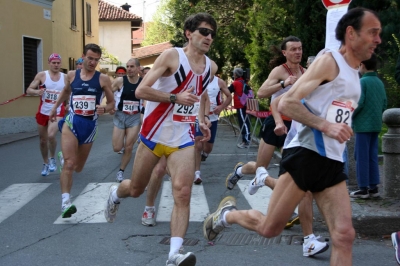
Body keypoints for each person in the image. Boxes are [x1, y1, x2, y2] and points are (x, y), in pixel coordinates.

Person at [204, 8, 381, 266]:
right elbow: (286, 104)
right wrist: (326, 126)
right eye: (373, 32)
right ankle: (226, 216)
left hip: (331, 160)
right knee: (269, 228)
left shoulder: (355, 72)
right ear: (351, 33)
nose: (378, 39)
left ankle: (308, 237)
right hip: (306, 155)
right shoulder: (329, 61)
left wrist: (337, 126)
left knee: (344, 235)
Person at [104, 13, 217, 266]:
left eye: (212, 33)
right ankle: (115, 193)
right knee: (136, 189)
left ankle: (174, 254)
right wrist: (174, 98)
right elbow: (142, 90)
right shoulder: (172, 56)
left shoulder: (211, 67)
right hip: (153, 135)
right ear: (189, 33)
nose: (209, 37)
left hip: (183, 139)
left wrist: (201, 119)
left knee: (183, 192)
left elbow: (197, 97)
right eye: (203, 31)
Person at [226, 36, 305, 193]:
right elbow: (261, 93)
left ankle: (289, 206)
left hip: (293, 125)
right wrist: (284, 83)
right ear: (285, 52)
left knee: (294, 166)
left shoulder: (305, 72)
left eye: (300, 48)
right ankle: (240, 171)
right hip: (275, 123)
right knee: (260, 167)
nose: (298, 52)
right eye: (293, 49)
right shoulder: (280, 71)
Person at [49, 43, 114, 218]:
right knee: (70, 164)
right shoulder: (71, 75)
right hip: (72, 122)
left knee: (78, 167)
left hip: (90, 126)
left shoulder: (103, 79)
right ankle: (65, 203)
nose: (93, 62)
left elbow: (112, 103)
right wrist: (55, 107)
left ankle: (64, 158)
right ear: (83, 56)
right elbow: (65, 91)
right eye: (90, 58)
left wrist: (105, 109)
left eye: (96, 60)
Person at [350, 53, 386, 198]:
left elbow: (359, 103)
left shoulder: (362, 82)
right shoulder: (379, 82)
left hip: (362, 125)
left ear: (362, 65)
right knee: (372, 155)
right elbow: (384, 103)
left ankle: (363, 188)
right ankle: (373, 186)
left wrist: (350, 114)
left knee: (361, 156)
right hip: (376, 124)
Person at [26, 53, 66, 176]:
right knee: (43, 140)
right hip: (43, 111)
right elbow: (29, 90)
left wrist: (69, 103)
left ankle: (53, 158)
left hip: (58, 111)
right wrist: (37, 91)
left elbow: (70, 92)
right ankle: (45, 162)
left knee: (51, 135)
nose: (56, 65)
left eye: (58, 63)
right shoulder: (42, 75)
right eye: (53, 62)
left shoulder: (65, 77)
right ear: (49, 63)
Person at [110, 58, 143, 182]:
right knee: (117, 148)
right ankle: (122, 145)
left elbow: (146, 102)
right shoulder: (120, 81)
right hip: (120, 116)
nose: (129, 69)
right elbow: (108, 92)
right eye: (128, 66)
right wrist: (110, 105)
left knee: (129, 147)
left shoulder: (143, 83)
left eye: (132, 66)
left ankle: (121, 171)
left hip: (134, 117)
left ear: (138, 68)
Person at [194, 76, 232, 184]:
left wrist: (221, 107)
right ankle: (197, 173)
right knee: (198, 142)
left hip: (213, 118)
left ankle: (204, 155)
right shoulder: (197, 79)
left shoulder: (219, 81)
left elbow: (229, 97)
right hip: (198, 116)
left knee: (208, 147)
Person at [229, 68, 251, 148]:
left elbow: (228, 91)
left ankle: (246, 141)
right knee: (246, 122)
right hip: (245, 104)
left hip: (240, 105)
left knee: (243, 123)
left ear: (235, 74)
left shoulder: (236, 83)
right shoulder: (244, 81)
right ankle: (246, 139)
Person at [113, 66, 127, 154]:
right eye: (119, 73)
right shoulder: (113, 83)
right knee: (119, 129)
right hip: (117, 111)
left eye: (122, 73)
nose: (121, 75)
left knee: (126, 130)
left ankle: (126, 145)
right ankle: (120, 145)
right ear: (116, 74)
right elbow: (110, 96)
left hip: (128, 111)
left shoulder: (127, 83)